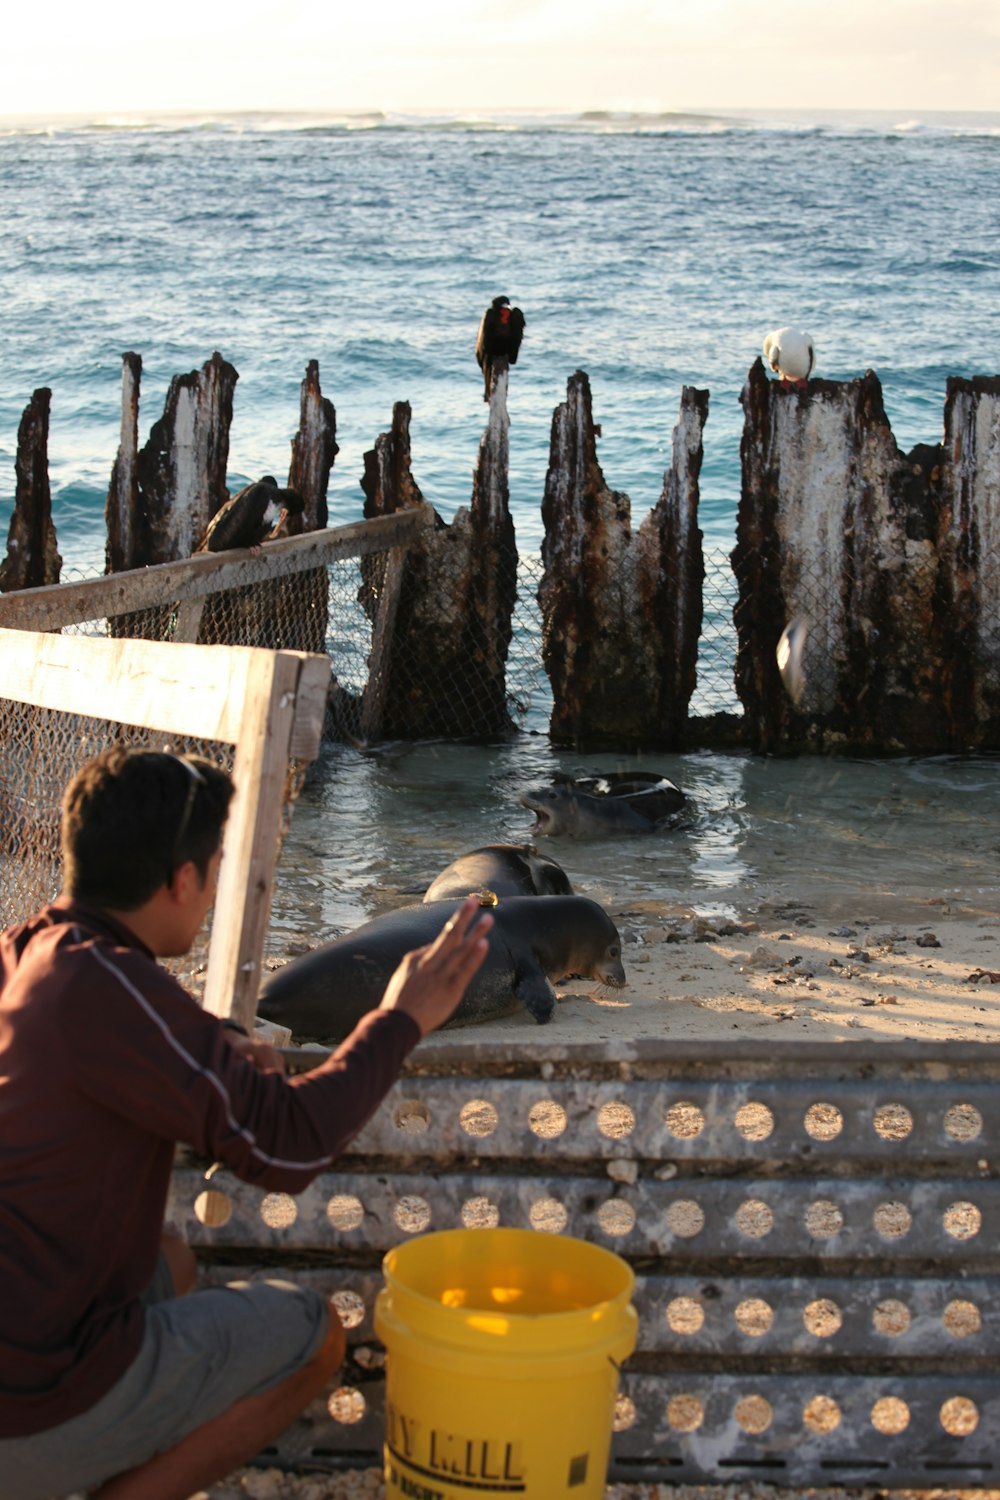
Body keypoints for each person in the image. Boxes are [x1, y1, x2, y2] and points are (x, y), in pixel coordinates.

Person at [0, 747, 493, 1500]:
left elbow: (133, 1055)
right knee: (312, 1335)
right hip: (33, 1404)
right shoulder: (111, 989)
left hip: (23, 1334)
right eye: (217, 866)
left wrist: (217, 1051)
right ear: (181, 880)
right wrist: (399, 1019)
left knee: (173, 1263)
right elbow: (287, 1148)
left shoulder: (32, 952)